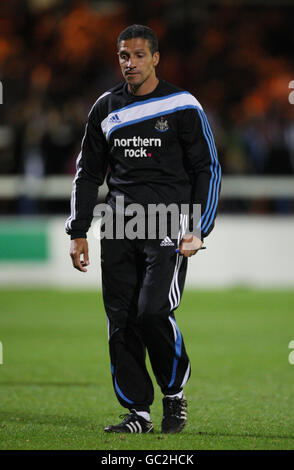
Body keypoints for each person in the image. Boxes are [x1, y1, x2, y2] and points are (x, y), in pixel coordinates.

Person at [66, 24, 221, 434]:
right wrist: (78, 230)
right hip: (117, 224)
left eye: (137, 55)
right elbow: (87, 174)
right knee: (120, 320)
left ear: (155, 58)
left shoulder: (183, 105)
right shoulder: (104, 108)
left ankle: (174, 394)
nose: (129, 63)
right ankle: (138, 413)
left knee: (153, 311)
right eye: (122, 55)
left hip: (168, 222)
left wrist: (200, 227)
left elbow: (207, 168)